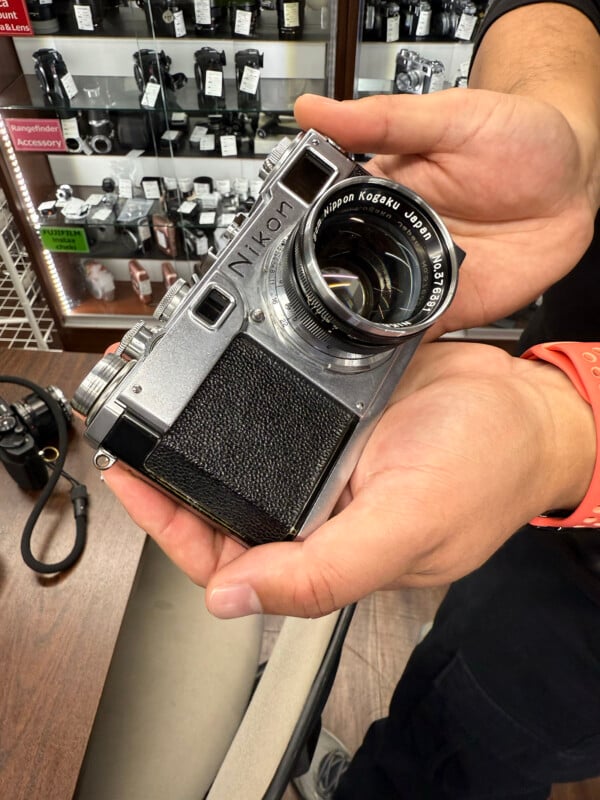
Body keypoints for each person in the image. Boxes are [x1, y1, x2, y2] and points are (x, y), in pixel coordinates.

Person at [104, 0, 600, 797]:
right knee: (449, 669)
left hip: (583, 613)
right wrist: (568, 135)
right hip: (546, 395)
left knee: (479, 740)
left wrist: (563, 431)